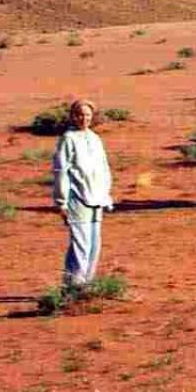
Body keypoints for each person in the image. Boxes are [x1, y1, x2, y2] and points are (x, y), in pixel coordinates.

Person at [51, 98, 114, 288]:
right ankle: (75, 286)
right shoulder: (68, 139)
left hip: (97, 199)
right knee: (81, 244)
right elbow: (61, 171)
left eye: (87, 115)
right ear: (72, 116)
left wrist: (106, 195)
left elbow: (104, 169)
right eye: (79, 114)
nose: (83, 118)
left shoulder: (95, 138)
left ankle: (87, 283)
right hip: (77, 198)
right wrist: (61, 201)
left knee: (94, 245)